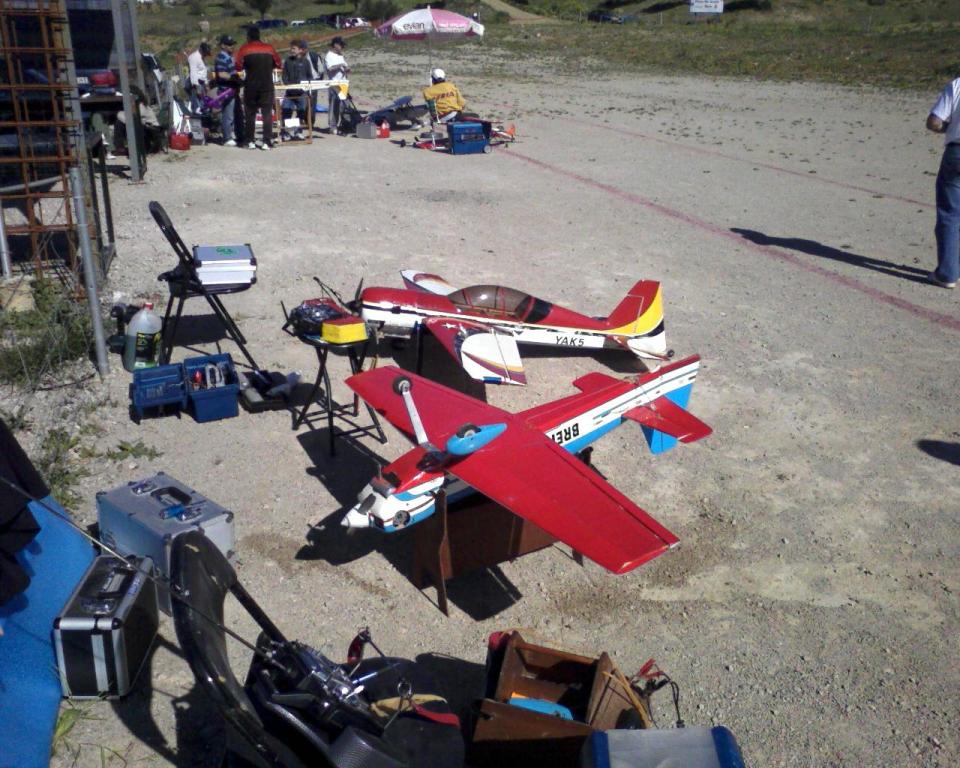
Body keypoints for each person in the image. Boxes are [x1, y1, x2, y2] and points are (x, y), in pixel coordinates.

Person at [927, 75, 960, 289]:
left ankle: (948, 273)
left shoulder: (957, 85)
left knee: (950, 213)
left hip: (957, 152)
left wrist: (948, 128)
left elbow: (934, 122)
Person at [235, 26, 282, 150]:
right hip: (267, 85)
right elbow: (278, 63)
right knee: (267, 114)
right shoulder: (269, 48)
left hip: (251, 85)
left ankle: (250, 140)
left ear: (248, 37)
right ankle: (267, 141)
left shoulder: (244, 49)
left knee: (250, 114)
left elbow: (238, 66)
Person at [281, 40, 316, 140]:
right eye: (291, 48)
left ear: (300, 50)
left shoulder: (306, 62)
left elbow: (310, 77)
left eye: (294, 48)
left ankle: (298, 132)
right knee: (286, 111)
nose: (291, 50)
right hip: (289, 92)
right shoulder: (288, 61)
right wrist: (288, 84)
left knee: (301, 111)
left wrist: (307, 89)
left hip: (301, 93)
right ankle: (285, 133)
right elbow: (284, 75)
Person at [213, 35, 239, 146]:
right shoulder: (221, 57)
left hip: (230, 88)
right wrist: (233, 78)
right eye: (229, 44)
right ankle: (227, 138)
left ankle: (229, 134)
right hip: (225, 89)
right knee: (227, 114)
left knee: (230, 113)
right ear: (223, 46)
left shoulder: (228, 57)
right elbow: (221, 74)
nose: (232, 46)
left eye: (232, 44)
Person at [324, 36, 350, 135]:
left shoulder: (340, 55)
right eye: (341, 45)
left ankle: (345, 125)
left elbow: (345, 67)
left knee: (345, 105)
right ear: (335, 45)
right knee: (334, 105)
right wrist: (340, 65)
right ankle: (332, 126)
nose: (342, 47)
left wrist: (347, 69)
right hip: (334, 83)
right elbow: (330, 68)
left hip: (343, 83)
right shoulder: (329, 55)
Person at [186, 42, 211, 115]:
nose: (206, 55)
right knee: (197, 107)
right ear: (201, 50)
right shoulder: (194, 57)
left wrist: (206, 84)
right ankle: (197, 119)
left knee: (203, 105)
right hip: (195, 84)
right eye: (205, 53)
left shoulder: (201, 58)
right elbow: (193, 72)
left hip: (201, 83)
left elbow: (202, 72)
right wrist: (197, 86)